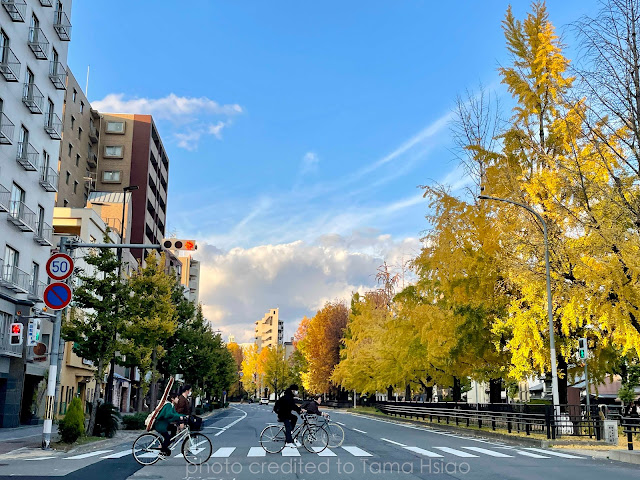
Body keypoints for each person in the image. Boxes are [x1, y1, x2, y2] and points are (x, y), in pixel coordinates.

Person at [154, 392, 186, 456]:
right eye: (177, 398)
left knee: (173, 429)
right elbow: (168, 415)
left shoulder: (171, 405)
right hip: (161, 425)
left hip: (164, 424)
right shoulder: (168, 405)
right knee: (167, 438)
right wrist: (179, 417)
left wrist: (184, 416)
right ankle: (162, 450)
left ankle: (166, 446)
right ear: (172, 399)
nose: (178, 399)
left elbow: (175, 414)